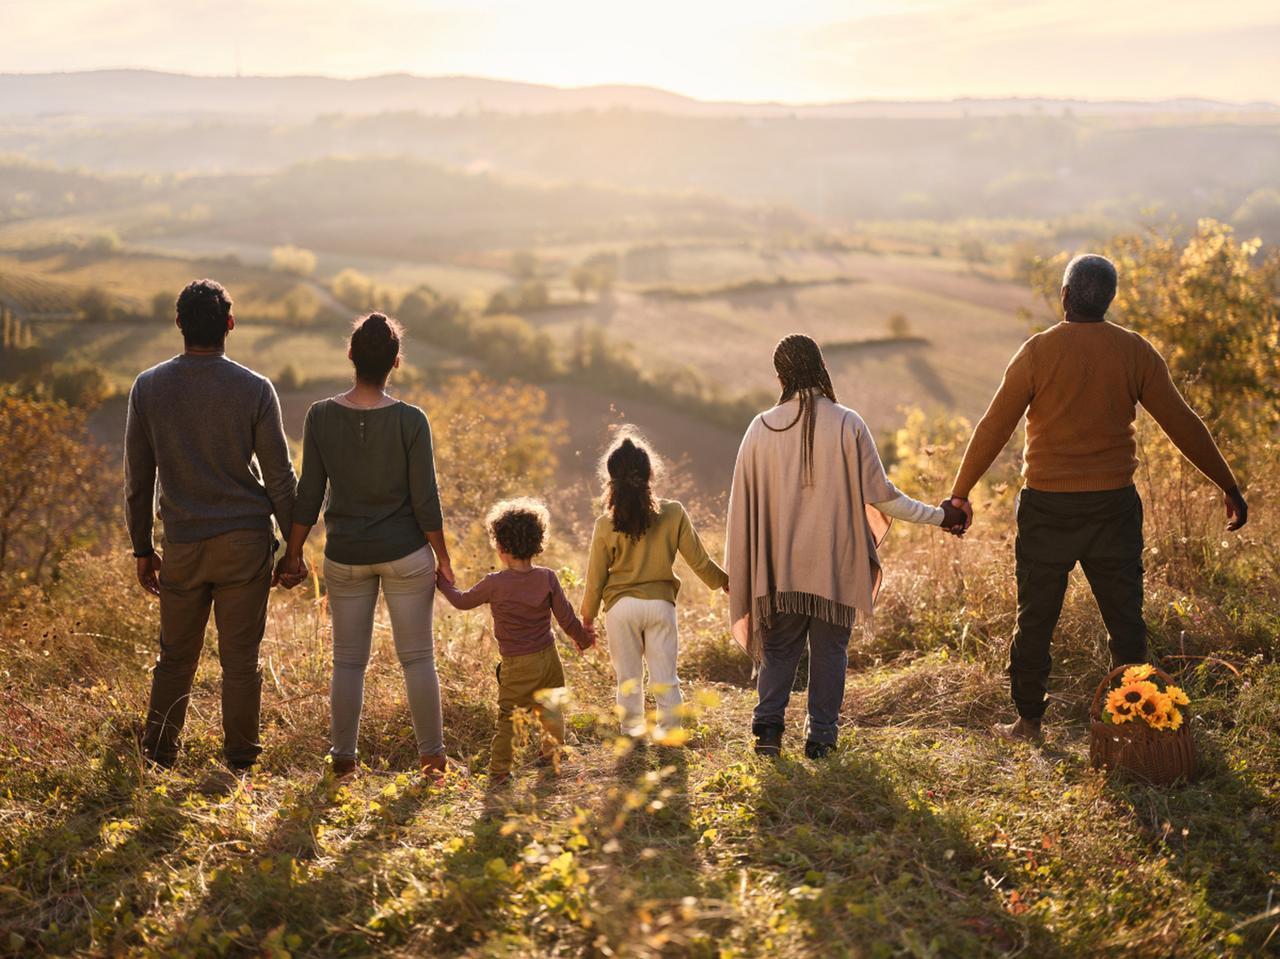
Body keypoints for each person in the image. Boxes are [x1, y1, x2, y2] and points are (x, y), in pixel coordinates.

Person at [947, 253, 1248, 742]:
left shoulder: (1037, 352)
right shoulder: (1134, 351)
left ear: (1064, 296)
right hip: (1114, 507)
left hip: (1047, 507)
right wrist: (1227, 484)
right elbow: (1182, 422)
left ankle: (1028, 722)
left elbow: (993, 426)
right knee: (1126, 620)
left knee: (1036, 618)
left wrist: (959, 494)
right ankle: (1138, 723)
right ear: (1109, 299)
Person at [726, 334, 966, 759]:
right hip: (833, 568)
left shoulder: (759, 428)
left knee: (779, 649)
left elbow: (742, 509)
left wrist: (746, 568)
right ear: (820, 367)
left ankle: (767, 730)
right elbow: (885, 498)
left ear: (781, 374)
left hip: (779, 570)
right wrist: (941, 515)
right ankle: (821, 738)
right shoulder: (848, 423)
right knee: (831, 650)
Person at [125, 278, 296, 772]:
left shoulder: (148, 386)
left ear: (179, 324)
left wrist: (142, 547)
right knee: (239, 660)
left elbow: (139, 478)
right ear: (230, 325)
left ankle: (158, 758)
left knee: (175, 658)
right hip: (244, 543)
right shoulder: (255, 388)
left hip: (182, 543)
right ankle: (240, 762)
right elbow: (280, 478)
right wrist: (294, 547)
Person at [280, 313, 454, 780]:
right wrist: (445, 559)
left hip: (346, 556)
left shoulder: (319, 416)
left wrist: (293, 554)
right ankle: (433, 759)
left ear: (350, 355)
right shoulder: (412, 420)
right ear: (396, 362)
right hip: (406, 555)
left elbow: (309, 495)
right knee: (418, 657)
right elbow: (425, 499)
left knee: (348, 662)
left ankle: (343, 760)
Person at [581, 432, 729, 740]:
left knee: (628, 679)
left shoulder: (605, 524)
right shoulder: (673, 512)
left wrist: (587, 618)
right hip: (661, 605)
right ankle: (670, 734)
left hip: (620, 609)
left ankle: (632, 735)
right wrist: (725, 582)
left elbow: (595, 579)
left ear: (610, 478)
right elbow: (699, 561)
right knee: (666, 678)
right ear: (650, 473)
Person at [436, 499, 594, 784]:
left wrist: (443, 582)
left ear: (501, 547)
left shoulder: (494, 583)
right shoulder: (547, 577)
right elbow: (567, 618)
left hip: (516, 664)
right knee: (552, 708)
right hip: (548, 658)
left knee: (508, 717)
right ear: (537, 542)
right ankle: (552, 754)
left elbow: (461, 602)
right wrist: (583, 639)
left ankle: (499, 772)